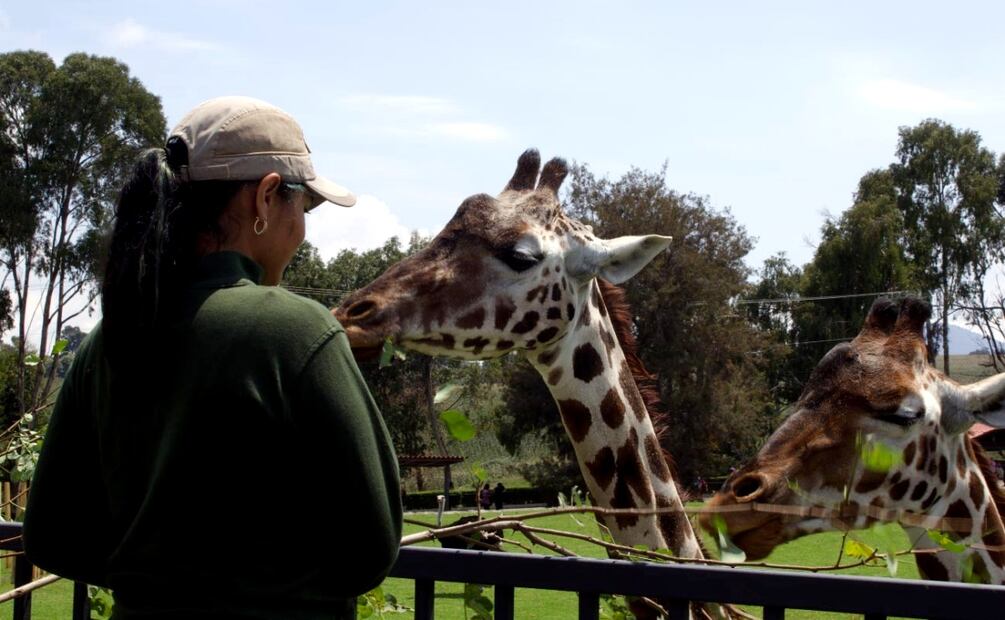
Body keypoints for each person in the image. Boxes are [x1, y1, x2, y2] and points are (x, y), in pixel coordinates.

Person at [23, 96, 402, 619]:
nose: (304, 227)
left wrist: (157, 581)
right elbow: (370, 548)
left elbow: (52, 536)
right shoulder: (293, 329)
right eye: (305, 206)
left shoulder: (107, 339)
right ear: (267, 198)